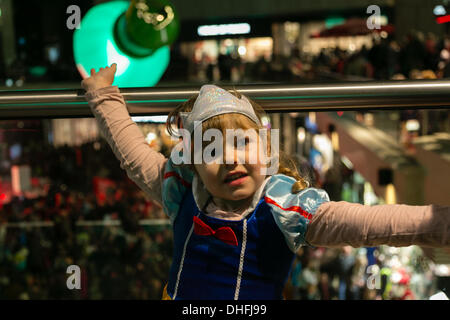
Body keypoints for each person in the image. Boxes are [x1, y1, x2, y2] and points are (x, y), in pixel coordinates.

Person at [81, 64, 449, 300]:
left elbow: (369, 225)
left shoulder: (284, 207)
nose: (232, 159)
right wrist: (103, 95)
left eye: (243, 143)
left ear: (267, 148)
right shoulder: (180, 189)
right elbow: (132, 153)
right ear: (193, 161)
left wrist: (441, 224)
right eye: (211, 151)